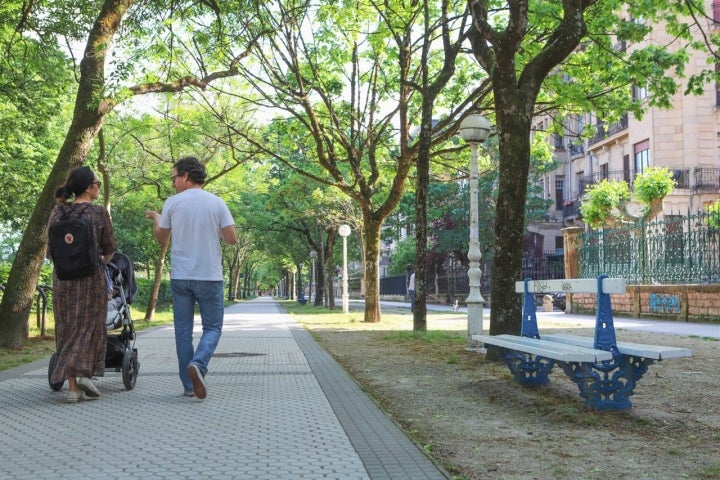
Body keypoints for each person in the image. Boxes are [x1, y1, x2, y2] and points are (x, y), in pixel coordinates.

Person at [146, 156, 237, 399]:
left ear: (186, 176)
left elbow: (162, 238)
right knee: (213, 327)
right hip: (209, 276)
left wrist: (156, 217)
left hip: (181, 277)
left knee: (183, 331)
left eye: (174, 177)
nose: (173, 182)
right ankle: (199, 364)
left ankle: (188, 385)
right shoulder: (217, 203)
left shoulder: (172, 203)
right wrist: (215, 229)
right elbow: (231, 239)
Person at [48, 166, 116, 403]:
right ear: (89, 187)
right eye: (97, 183)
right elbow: (109, 249)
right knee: (90, 326)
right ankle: (84, 371)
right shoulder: (98, 213)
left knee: (67, 329)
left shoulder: (58, 213)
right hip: (90, 280)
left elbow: (50, 252)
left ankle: (73, 389)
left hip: (63, 281)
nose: (99, 186)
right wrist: (99, 262)